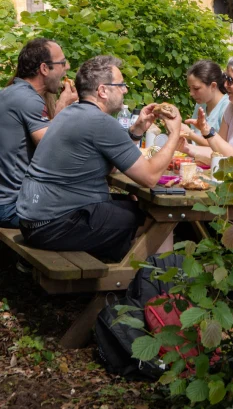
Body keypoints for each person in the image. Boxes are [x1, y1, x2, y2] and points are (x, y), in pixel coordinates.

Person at [17, 55, 182, 262]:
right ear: (103, 90)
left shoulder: (70, 113)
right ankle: (147, 285)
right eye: (121, 85)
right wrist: (174, 133)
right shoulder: (100, 122)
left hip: (34, 219)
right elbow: (149, 177)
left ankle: (133, 272)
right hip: (54, 225)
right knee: (158, 217)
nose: (125, 90)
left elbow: (112, 168)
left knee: (135, 207)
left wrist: (137, 130)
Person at [0, 38, 77, 228]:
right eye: (62, 63)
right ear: (44, 69)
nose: (66, 67)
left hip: (7, 201)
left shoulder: (10, 92)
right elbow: (50, 150)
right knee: (94, 214)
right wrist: (63, 106)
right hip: (11, 206)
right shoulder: (28, 99)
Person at [180, 60, 229, 148]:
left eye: (196, 88)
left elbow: (221, 148)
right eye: (190, 88)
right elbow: (194, 141)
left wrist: (189, 134)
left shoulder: (227, 107)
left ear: (213, 86)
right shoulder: (200, 104)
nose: (191, 93)